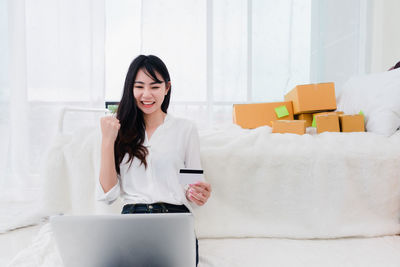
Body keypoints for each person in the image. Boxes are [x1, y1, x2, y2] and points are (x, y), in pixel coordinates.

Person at [97, 55, 212, 266]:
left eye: (155, 86)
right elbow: (108, 194)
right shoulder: (119, 131)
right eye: (139, 86)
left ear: (167, 88)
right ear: (130, 89)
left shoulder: (185, 129)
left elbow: (192, 182)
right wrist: (107, 141)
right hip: (132, 219)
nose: (146, 94)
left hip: (175, 220)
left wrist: (195, 193)